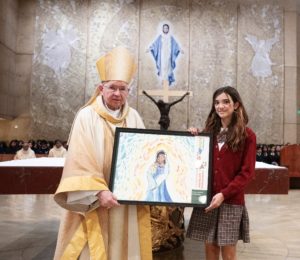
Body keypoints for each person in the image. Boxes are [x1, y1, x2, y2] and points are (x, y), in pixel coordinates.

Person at [53, 47, 152, 260]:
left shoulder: (134, 117)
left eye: (123, 88)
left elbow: (146, 154)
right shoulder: (86, 116)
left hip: (125, 203)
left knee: (124, 247)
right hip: (94, 199)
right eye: (112, 87)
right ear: (101, 88)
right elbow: (80, 159)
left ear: (128, 91)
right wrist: (99, 192)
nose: (117, 93)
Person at [186, 86, 256, 260]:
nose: (220, 106)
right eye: (217, 102)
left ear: (236, 105)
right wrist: (191, 139)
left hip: (230, 201)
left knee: (229, 253)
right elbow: (196, 162)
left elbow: (246, 173)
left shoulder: (247, 135)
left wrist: (224, 195)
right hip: (208, 198)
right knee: (210, 250)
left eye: (226, 102)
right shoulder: (208, 133)